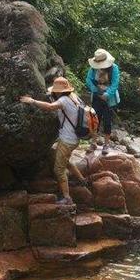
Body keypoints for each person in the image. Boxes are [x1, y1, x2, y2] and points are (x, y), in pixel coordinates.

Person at [20, 77, 87, 205]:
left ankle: (67, 198)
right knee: (64, 160)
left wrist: (32, 101)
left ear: (58, 91)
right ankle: (82, 180)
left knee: (59, 169)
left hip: (67, 140)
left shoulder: (63, 100)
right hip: (75, 138)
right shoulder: (74, 97)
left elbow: (51, 107)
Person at [86, 48, 120, 155]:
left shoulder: (114, 68)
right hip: (96, 96)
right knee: (95, 120)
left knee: (107, 121)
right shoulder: (93, 69)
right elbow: (88, 80)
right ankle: (94, 142)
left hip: (110, 99)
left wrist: (107, 94)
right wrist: (96, 90)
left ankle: (106, 144)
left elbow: (115, 83)